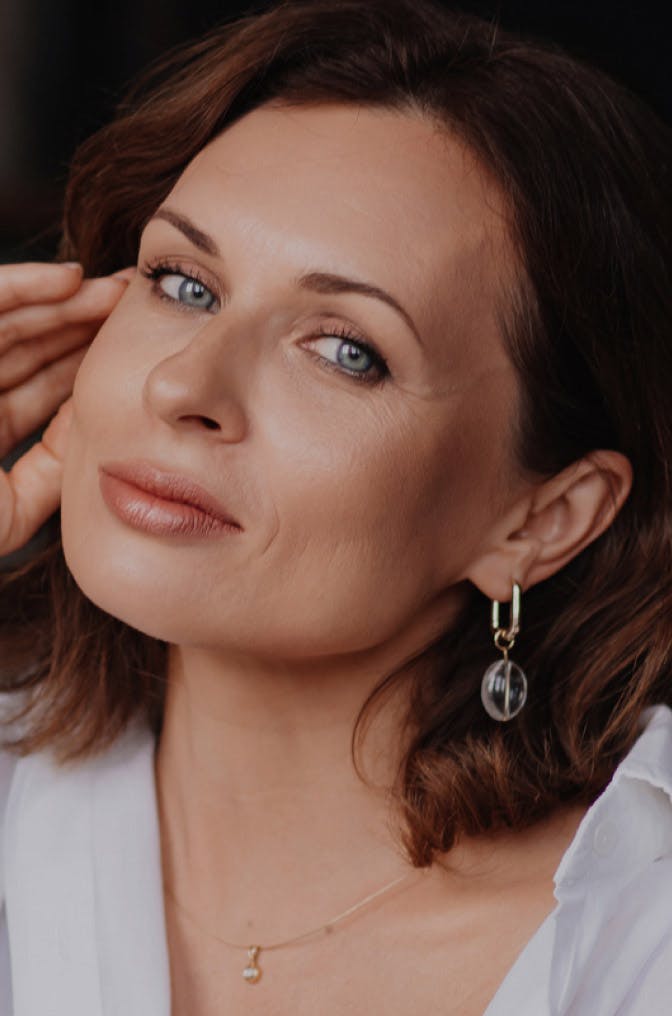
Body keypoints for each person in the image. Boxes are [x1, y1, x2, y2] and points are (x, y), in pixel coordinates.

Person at [1, 0, 671, 1012]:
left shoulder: (636, 941)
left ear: (544, 518)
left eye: (347, 350)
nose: (183, 386)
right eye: (183, 283)